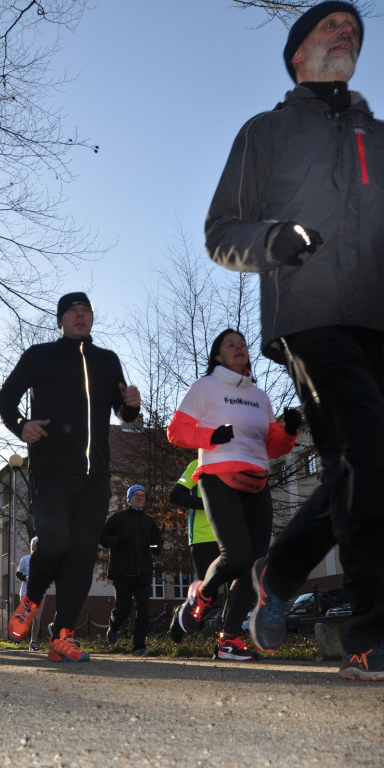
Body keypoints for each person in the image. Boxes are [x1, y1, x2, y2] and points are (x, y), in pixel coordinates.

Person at [205, 2, 384, 681]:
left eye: (354, 28)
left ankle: (276, 574)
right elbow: (224, 228)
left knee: (352, 464)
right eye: (328, 26)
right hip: (307, 311)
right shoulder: (267, 131)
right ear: (295, 54)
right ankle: (371, 632)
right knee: (367, 446)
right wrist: (271, 241)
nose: (345, 31)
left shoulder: (379, 136)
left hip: (375, 314)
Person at [0, 291, 141, 663]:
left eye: (86, 310)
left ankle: (63, 634)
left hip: (95, 476)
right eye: (73, 311)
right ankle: (30, 600)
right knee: (55, 544)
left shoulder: (107, 361)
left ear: (92, 318)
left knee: (81, 555)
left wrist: (131, 407)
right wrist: (20, 425)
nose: (80, 315)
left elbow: (123, 415)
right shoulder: (40, 355)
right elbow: (5, 398)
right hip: (52, 469)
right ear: (60, 319)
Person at [167, 329, 299, 660]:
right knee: (236, 556)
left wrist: (290, 431)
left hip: (257, 482)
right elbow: (176, 432)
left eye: (242, 343)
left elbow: (272, 447)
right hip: (218, 476)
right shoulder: (204, 388)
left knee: (253, 567)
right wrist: (212, 434)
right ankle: (202, 594)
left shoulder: (259, 396)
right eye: (231, 344)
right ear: (217, 356)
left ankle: (229, 639)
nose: (239, 347)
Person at [100, 484, 163, 656]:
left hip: (143, 572)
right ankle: (113, 627)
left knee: (144, 611)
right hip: (122, 572)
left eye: (142, 495)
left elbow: (158, 542)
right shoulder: (118, 518)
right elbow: (103, 538)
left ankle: (139, 645)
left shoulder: (149, 522)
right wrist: (118, 541)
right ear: (129, 499)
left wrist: (156, 548)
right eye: (136, 494)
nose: (140, 497)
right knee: (123, 608)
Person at [168, 459, 220, 643]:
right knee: (209, 590)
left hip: (228, 534)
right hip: (203, 536)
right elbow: (175, 495)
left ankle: (229, 638)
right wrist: (207, 503)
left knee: (228, 586)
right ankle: (182, 613)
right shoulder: (197, 464)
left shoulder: (235, 465)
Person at [16, 537, 43, 651]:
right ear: (33, 547)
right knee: (26, 617)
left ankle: (33, 643)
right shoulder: (25, 559)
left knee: (36, 618)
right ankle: (17, 635)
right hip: (26, 591)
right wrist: (27, 577)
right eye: (38, 546)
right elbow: (18, 574)